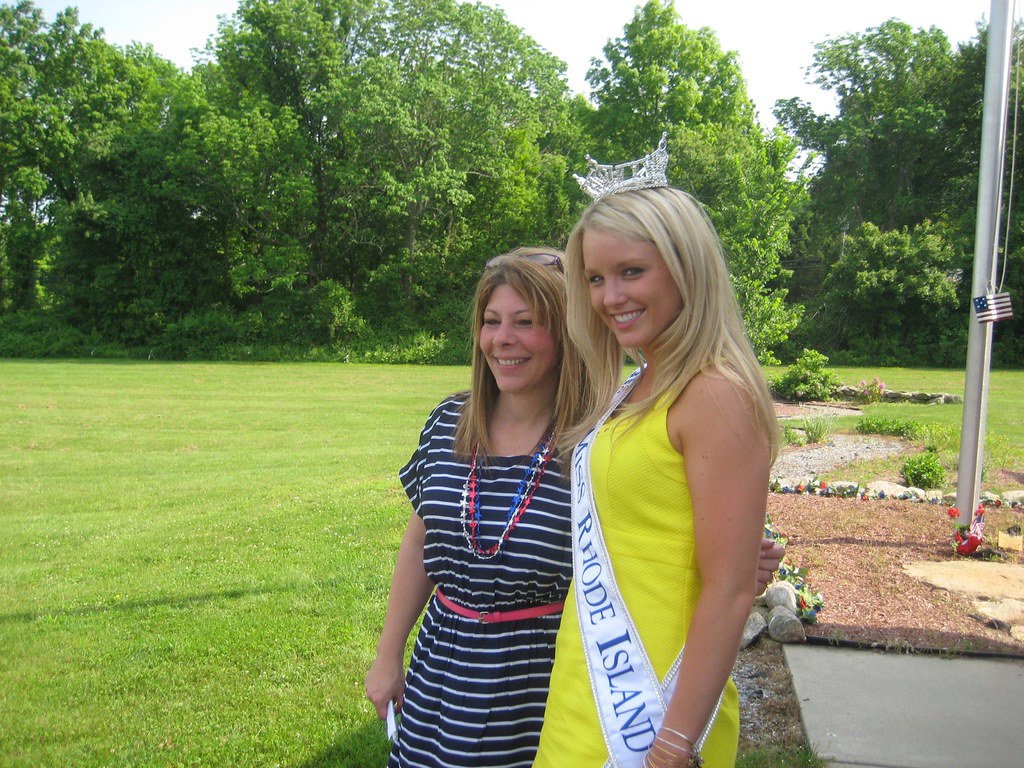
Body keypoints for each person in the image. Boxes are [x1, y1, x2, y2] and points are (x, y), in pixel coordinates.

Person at [364, 247, 783, 768]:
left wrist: (735, 564)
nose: (502, 339)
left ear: (565, 334)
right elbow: (420, 539)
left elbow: (650, 545)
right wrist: (388, 655)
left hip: (546, 676)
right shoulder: (449, 421)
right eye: (491, 322)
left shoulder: (598, 439)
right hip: (444, 664)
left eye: (526, 322)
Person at [533, 137, 779, 768]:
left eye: (631, 272)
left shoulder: (715, 394)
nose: (610, 296)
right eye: (594, 278)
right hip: (586, 680)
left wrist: (673, 743)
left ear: (686, 266)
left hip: (657, 709)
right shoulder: (636, 385)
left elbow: (727, 591)